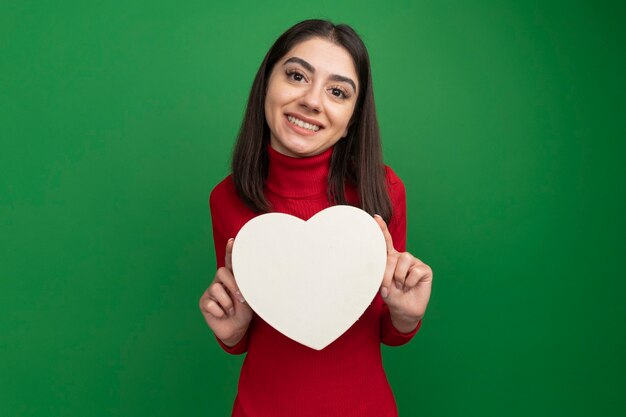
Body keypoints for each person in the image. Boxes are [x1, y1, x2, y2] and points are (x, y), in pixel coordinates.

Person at [199, 19, 433, 417]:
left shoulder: (383, 191)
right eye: (296, 75)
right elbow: (247, 327)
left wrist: (407, 315)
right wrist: (233, 333)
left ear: (351, 119)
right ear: (266, 86)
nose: (312, 100)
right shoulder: (226, 199)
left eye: (337, 91)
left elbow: (388, 332)